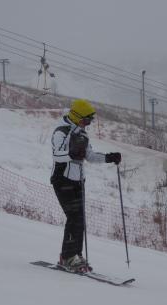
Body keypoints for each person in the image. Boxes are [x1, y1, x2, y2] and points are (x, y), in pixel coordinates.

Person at [50, 99, 121, 272]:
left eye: (89, 121)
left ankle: (75, 254)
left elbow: (89, 156)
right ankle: (67, 257)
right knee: (73, 217)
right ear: (76, 116)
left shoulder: (82, 134)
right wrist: (71, 154)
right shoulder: (61, 131)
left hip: (78, 182)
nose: (87, 124)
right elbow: (57, 155)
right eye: (85, 120)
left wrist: (108, 157)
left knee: (80, 220)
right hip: (62, 180)